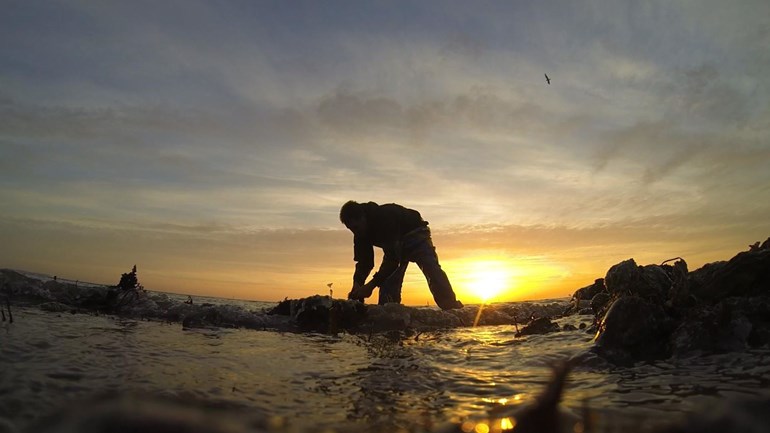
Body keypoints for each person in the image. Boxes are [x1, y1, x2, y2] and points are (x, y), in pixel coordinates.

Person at [340, 200, 463, 310]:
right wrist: (357, 284)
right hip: (394, 247)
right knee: (389, 282)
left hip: (416, 235)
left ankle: (451, 307)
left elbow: (393, 260)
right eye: (350, 228)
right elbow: (364, 262)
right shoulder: (360, 235)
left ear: (363, 217)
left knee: (431, 268)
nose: (355, 232)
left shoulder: (384, 217)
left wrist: (371, 286)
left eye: (356, 227)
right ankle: (388, 313)